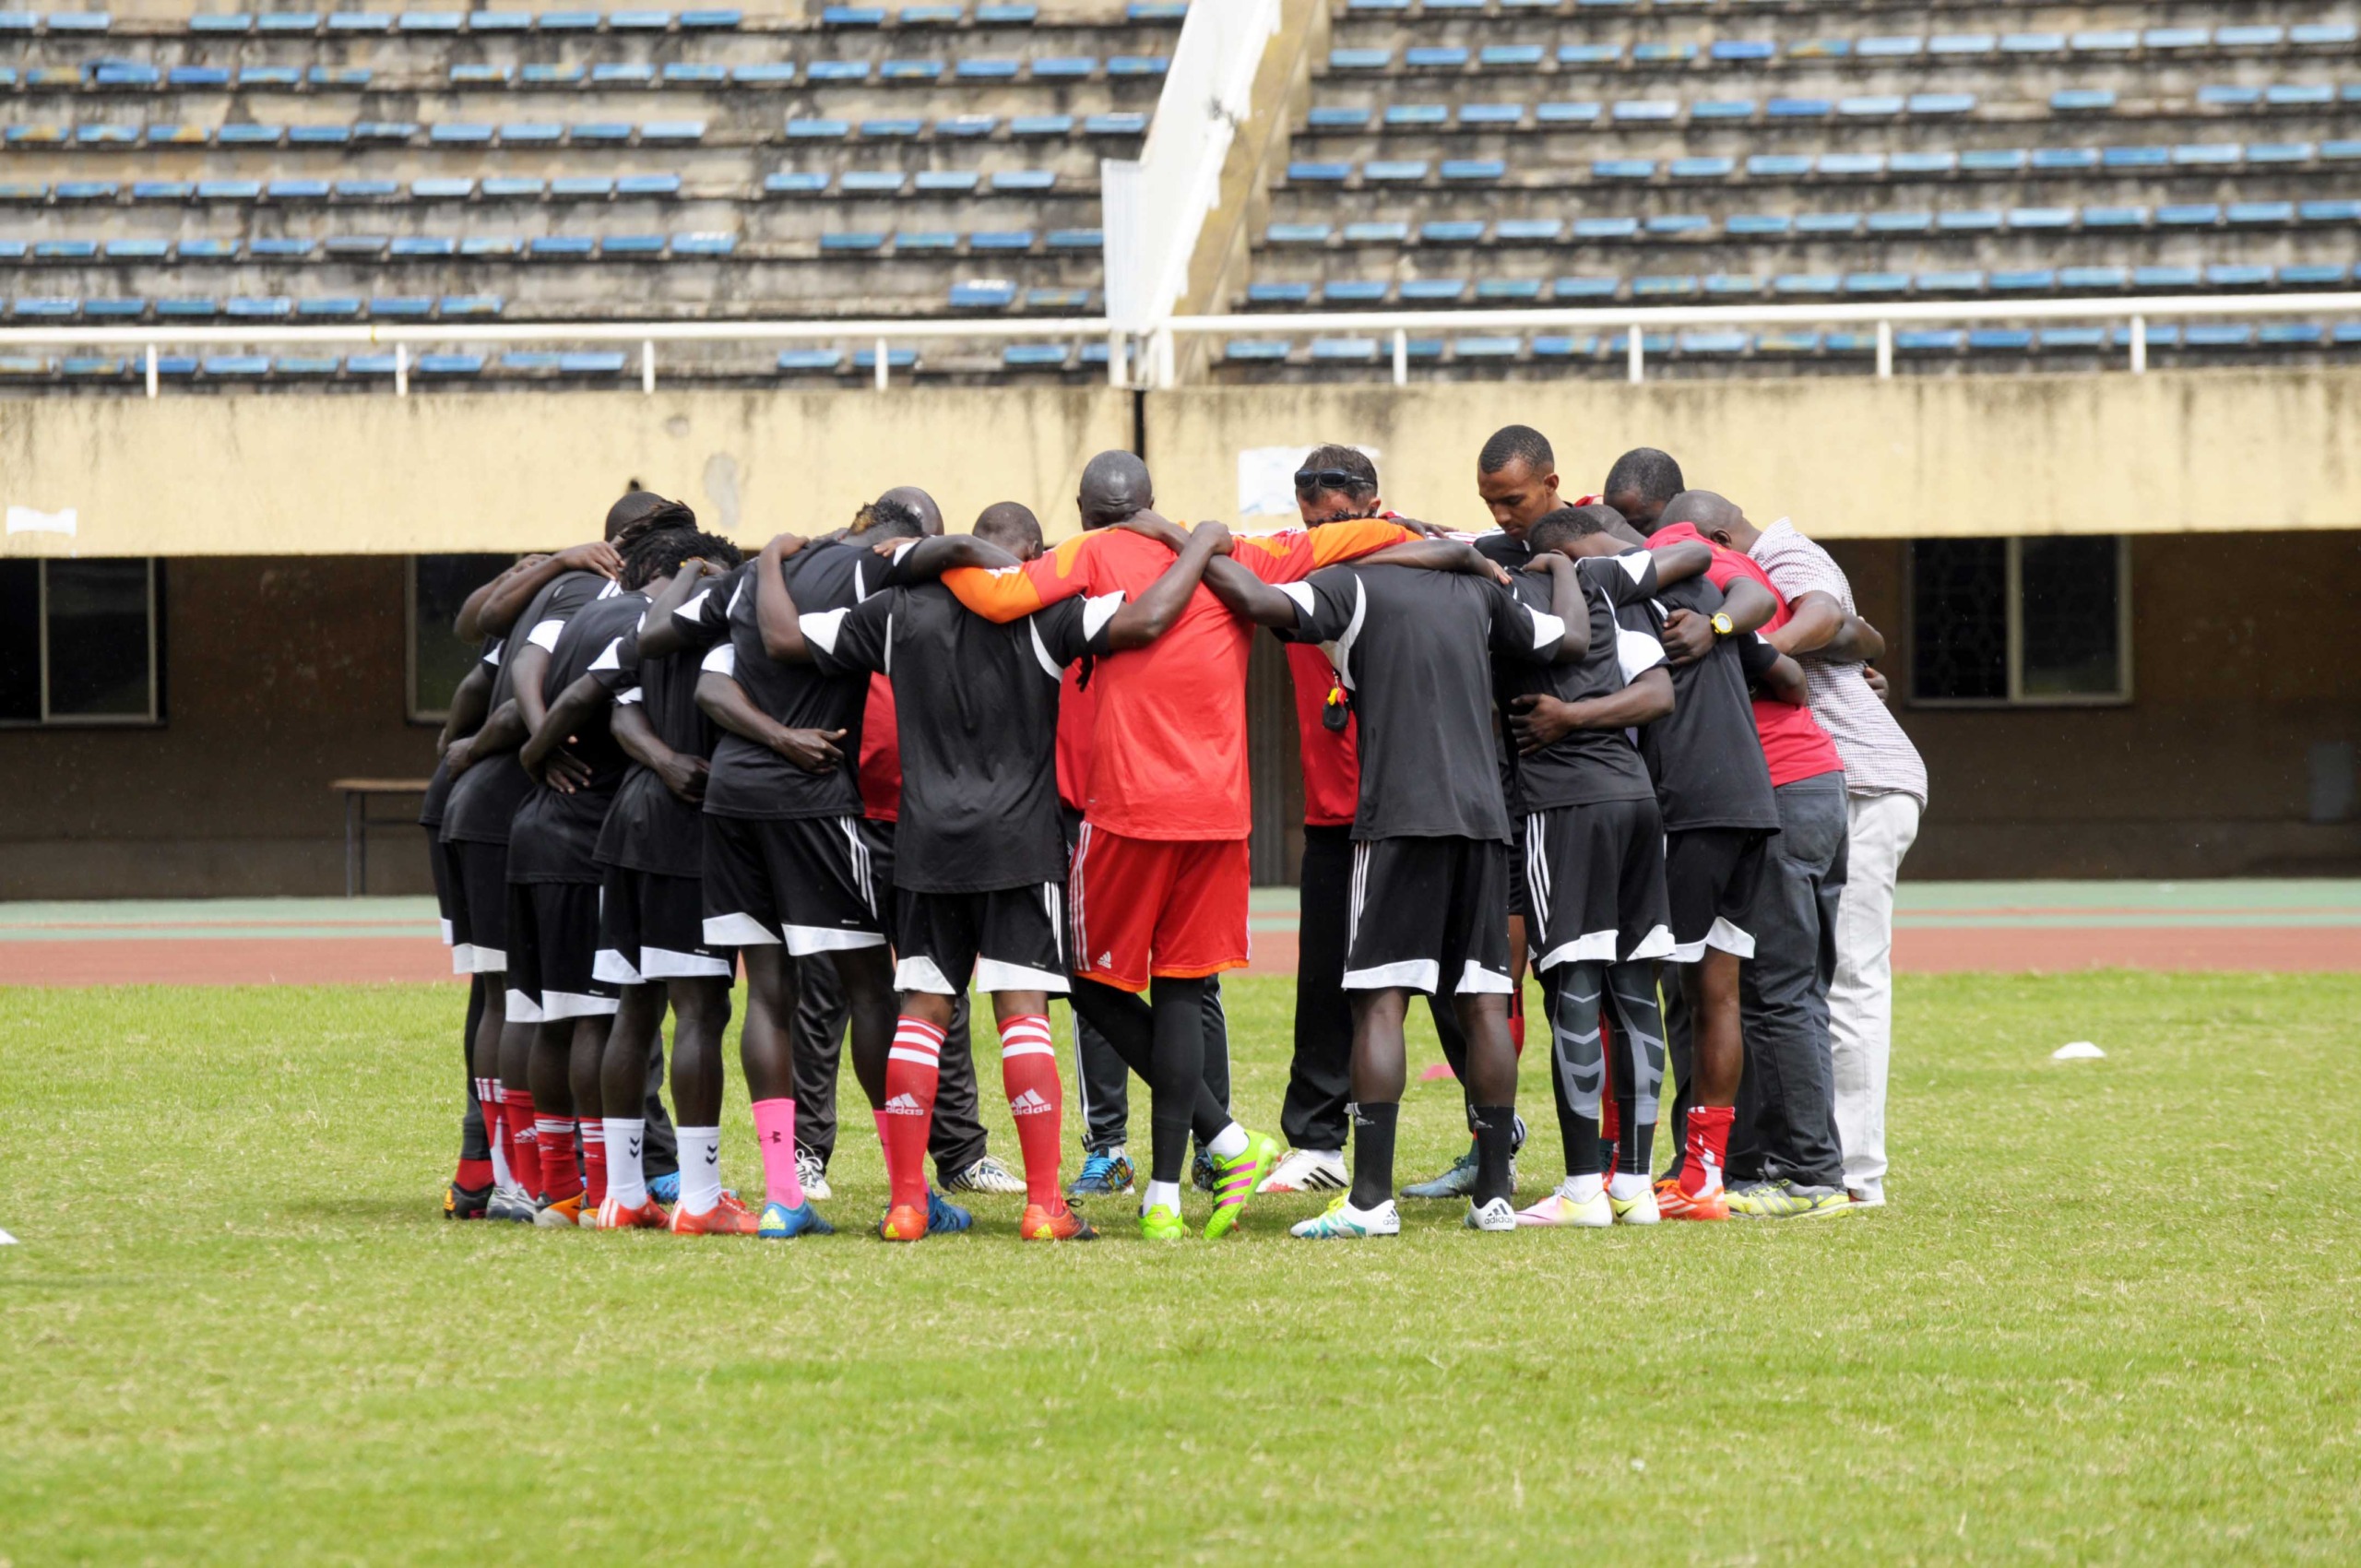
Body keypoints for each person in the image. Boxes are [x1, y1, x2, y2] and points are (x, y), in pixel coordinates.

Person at [927, 451, 1419, 1239]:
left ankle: (1222, 1134)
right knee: (1185, 990)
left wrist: (922, 558)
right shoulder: (1236, 553)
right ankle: (1166, 1198)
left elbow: (995, 596)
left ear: (1086, 511)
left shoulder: (1088, 554)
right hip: (1222, 813)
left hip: (1127, 808)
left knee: (1079, 979)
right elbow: (1358, 539)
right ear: (1152, 501)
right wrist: (1448, 546)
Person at [771, 502, 1228, 1239]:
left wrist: (773, 558)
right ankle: (1045, 1206)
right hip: (1017, 845)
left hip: (923, 846)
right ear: (1031, 554)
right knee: (1021, 1014)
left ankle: (906, 1205)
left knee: (921, 1015)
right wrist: (1198, 543)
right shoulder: (1047, 611)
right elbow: (1146, 620)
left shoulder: (894, 610)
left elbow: (787, 637)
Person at [1200, 538, 1578, 1237]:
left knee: (1378, 1002)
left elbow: (1254, 598)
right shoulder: (1480, 592)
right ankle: (1494, 1195)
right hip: (1485, 820)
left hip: (1400, 818)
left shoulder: (1351, 584)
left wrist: (1189, 543)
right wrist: (1557, 567)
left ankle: (1371, 1202)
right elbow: (1568, 637)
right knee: (1486, 1004)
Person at [682, 499, 944, 1239]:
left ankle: (782, 1197)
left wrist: (764, 559)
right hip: (811, 799)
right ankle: (909, 1191)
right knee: (870, 988)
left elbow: (676, 649)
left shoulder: (763, 574)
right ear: (899, 536)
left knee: (768, 991)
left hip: (730, 799)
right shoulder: (874, 567)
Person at [787, 492, 1017, 1206]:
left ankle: (961, 1153)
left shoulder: (938, 599)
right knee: (824, 991)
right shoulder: (861, 591)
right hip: (853, 818)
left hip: (922, 826)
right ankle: (806, 1152)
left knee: (937, 993)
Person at [1260, 445, 1476, 1196]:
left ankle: (1492, 1130)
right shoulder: (1307, 559)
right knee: (1325, 984)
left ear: (1369, 501)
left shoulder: (1415, 551)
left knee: (1449, 980)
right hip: (1332, 810)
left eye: (1337, 522)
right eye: (1312, 522)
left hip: (1407, 803)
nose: (1324, 538)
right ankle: (1317, 1142)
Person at [1490, 507, 1713, 1226]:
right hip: (1636, 801)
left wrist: (1566, 718)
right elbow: (1657, 693)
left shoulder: (1511, 597)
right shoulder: (1610, 591)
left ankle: (1585, 1185)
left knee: (1576, 993)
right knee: (1636, 992)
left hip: (1564, 807)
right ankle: (1636, 1187)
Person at [1643, 491, 1863, 1218]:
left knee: (1771, 992)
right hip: (1804, 788)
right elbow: (1797, 675)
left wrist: (1713, 632)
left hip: (1773, 795)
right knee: (1757, 990)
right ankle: (1740, 1164)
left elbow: (1819, 630)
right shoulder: (1727, 575)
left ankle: (1809, 1174)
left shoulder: (1678, 569)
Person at [438, 501, 655, 1224]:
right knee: (557, 1006)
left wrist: (455, 754)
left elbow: (478, 665)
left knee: (505, 998)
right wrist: (539, 744)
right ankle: (540, 1181)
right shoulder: (603, 596)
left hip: (474, 806)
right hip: (519, 809)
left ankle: (497, 1174)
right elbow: (516, 700)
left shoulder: (550, 584)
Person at [538, 525, 749, 1231]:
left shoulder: (642, 630)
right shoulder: (716, 630)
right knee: (700, 1010)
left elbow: (617, 709)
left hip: (624, 827)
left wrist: (540, 756)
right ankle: (699, 1197)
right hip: (684, 832)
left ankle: (622, 1195)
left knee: (632, 1006)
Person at [1737, 513, 1927, 1208]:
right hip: (1824, 785)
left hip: (1861, 781)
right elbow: (1854, 634)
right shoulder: (1736, 568)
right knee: (1798, 981)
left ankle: (1852, 1174)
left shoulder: (1779, 548)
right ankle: (1801, 1157)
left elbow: (1830, 617)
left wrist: (1752, 648)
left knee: (1847, 979)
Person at [508, 552, 666, 1228]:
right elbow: (589, 700)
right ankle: (598, 1190)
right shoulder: (639, 621)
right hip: (581, 838)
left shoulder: (578, 609)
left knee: (551, 1015)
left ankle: (558, 1188)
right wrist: (536, 747)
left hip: (536, 833)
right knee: (597, 1019)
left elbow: (519, 666)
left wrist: (534, 740)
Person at [1600, 448, 1687, 536]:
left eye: (1638, 526)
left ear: (1678, 505)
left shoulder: (1697, 547)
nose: (1623, 540)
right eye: (1611, 533)